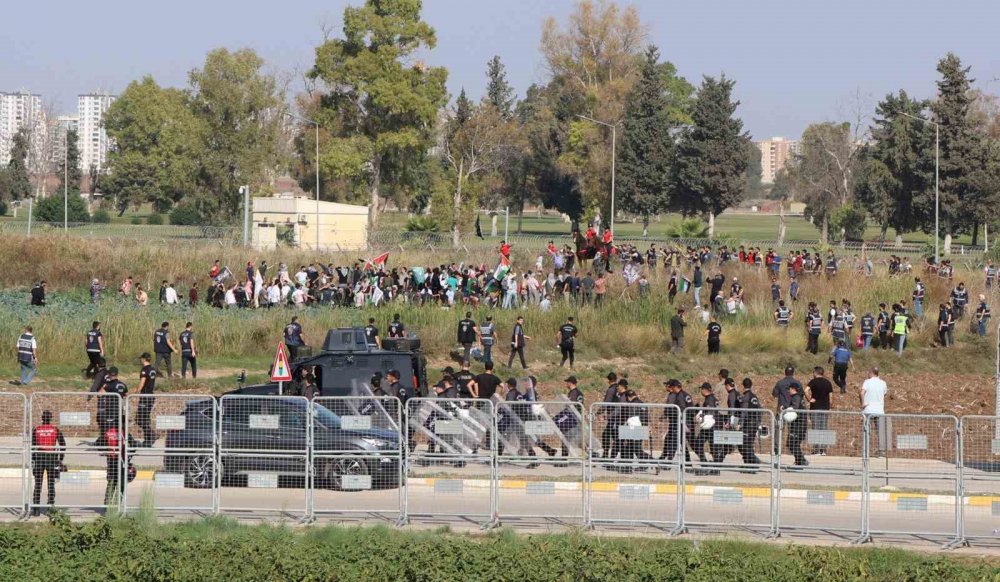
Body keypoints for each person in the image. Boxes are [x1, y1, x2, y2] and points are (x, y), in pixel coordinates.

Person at [30, 410, 65, 515]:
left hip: (39, 458)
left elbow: (33, 446)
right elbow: (63, 444)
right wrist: (60, 458)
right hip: (51, 458)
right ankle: (51, 507)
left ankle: (36, 509)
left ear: (42, 418)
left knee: (38, 484)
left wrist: (33, 460)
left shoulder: (36, 430)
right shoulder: (55, 430)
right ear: (50, 418)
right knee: (51, 484)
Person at [96, 416, 135, 508]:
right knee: (121, 484)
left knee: (111, 483)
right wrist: (129, 456)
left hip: (111, 461)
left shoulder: (108, 432)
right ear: (122, 423)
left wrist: (106, 451)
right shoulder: (124, 434)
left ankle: (107, 505)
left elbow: (98, 443)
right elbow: (133, 445)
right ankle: (118, 504)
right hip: (122, 462)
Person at [805, 367, 834, 455]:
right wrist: (830, 406)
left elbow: (806, 390)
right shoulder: (828, 382)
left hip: (815, 407)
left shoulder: (813, 382)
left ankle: (816, 450)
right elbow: (831, 397)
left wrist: (809, 399)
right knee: (824, 428)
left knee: (815, 428)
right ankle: (823, 450)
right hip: (825, 408)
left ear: (815, 373)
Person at [860, 368, 887, 456]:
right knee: (880, 432)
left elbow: (861, 393)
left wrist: (863, 403)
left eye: (868, 372)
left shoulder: (867, 382)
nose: (867, 373)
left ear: (871, 373)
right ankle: (881, 452)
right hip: (880, 410)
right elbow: (884, 394)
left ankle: (866, 451)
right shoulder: (883, 383)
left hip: (868, 410)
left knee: (866, 431)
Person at [738, 378, 764, 466]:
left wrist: (740, 423)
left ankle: (752, 463)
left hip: (748, 424)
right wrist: (758, 422)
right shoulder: (754, 396)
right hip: (754, 423)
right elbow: (760, 409)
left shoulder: (746, 397)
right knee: (749, 444)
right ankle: (750, 464)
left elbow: (744, 412)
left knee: (745, 445)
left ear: (743, 385)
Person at [135, 353, 158, 446]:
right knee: (145, 418)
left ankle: (152, 435)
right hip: (150, 395)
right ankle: (148, 439)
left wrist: (136, 392)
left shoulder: (144, 370)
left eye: (141, 359)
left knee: (139, 419)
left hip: (145, 396)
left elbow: (142, 382)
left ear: (144, 359)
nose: (141, 360)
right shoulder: (153, 370)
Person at [784, 384, 808, 467]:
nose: (788, 391)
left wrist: (785, 409)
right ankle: (800, 460)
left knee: (792, 443)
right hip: (799, 424)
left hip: (798, 425)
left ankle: (801, 461)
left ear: (793, 389)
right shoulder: (798, 397)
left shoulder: (796, 397)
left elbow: (794, 408)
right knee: (793, 443)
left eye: (789, 389)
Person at [600, 373, 620, 459]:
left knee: (608, 435)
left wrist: (597, 413)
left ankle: (607, 455)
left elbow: (605, 403)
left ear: (608, 380)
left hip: (613, 417)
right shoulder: (618, 388)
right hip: (618, 416)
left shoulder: (611, 390)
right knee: (613, 436)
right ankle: (609, 455)